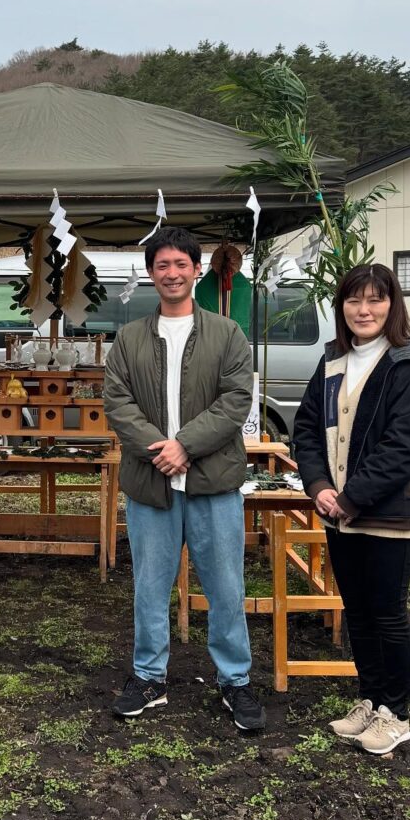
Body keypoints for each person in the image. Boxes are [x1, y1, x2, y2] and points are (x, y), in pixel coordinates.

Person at [103, 227, 265, 731]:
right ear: (151, 275)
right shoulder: (129, 339)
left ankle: (234, 681)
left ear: (197, 270)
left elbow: (236, 399)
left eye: (180, 264)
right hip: (151, 483)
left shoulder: (227, 334)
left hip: (212, 480)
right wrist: (160, 449)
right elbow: (117, 402)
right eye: (161, 265)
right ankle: (148, 677)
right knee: (149, 586)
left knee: (224, 585)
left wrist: (185, 445)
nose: (171, 273)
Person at [293, 263, 410, 755]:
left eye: (375, 299)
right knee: (357, 612)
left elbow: (407, 447)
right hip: (337, 511)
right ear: (342, 307)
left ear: (392, 305)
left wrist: (352, 496)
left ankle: (396, 714)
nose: (364, 310)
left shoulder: (407, 366)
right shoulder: (333, 360)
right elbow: (307, 428)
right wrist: (318, 486)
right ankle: (371, 700)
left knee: (387, 612)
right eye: (354, 300)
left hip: (387, 513)